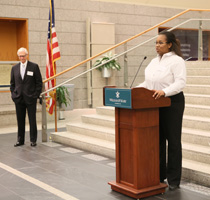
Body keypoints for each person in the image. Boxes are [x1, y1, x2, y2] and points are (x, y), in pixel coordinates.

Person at [137, 31, 186, 191]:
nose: (157, 46)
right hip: (154, 103)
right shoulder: (153, 61)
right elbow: (149, 82)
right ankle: (159, 175)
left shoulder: (177, 61)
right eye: (156, 43)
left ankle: (173, 179)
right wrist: (134, 90)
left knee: (172, 141)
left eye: (160, 43)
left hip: (172, 103)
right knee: (157, 140)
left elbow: (180, 83)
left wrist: (165, 92)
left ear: (169, 44)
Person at [10, 47, 42, 147]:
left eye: (23, 56)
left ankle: (33, 140)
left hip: (30, 98)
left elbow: (39, 82)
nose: (21, 58)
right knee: (20, 120)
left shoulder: (34, 66)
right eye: (20, 56)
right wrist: (13, 95)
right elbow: (12, 83)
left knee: (32, 119)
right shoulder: (14, 68)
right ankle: (20, 140)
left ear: (27, 55)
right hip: (19, 98)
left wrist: (35, 95)